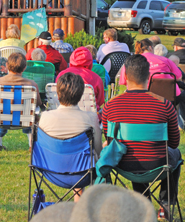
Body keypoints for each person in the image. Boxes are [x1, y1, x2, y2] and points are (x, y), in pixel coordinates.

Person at [102, 54, 181, 219]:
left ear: (125, 76)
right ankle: (165, 204)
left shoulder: (110, 106)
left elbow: (109, 140)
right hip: (158, 165)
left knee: (131, 150)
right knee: (175, 154)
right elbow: (174, 143)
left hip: (123, 165)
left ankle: (143, 200)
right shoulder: (165, 105)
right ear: (148, 76)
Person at [39, 73, 102, 200]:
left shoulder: (45, 117)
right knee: (86, 158)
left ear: (57, 93)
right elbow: (98, 151)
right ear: (80, 96)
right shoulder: (90, 118)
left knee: (79, 156)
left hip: (51, 171)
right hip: (83, 173)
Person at [0, 53, 41, 150]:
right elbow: (37, 104)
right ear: (24, 68)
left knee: (5, 108)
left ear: (7, 65)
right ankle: (31, 143)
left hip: (0, 119)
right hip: (25, 119)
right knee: (27, 110)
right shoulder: (32, 85)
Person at [56, 47, 105, 112]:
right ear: (90, 61)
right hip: (89, 116)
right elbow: (100, 101)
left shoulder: (61, 75)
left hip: (63, 114)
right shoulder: (96, 78)